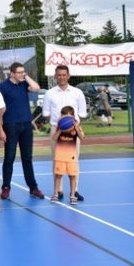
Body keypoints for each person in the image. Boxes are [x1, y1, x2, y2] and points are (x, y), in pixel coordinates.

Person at [0, 62, 44, 200]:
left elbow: (36, 88)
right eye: (19, 72)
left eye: (23, 72)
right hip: (10, 125)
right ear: (11, 73)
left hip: (26, 125)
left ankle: (33, 187)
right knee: (9, 158)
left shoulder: (24, 84)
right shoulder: (3, 87)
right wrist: (0, 129)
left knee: (27, 158)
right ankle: (6, 187)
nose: (22, 74)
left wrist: (26, 76)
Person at [42, 65, 87, 201]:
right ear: (55, 76)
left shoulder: (77, 92)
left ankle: (75, 191)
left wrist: (73, 126)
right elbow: (46, 114)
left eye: (64, 75)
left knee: (74, 160)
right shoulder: (49, 93)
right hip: (57, 130)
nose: (61, 77)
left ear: (68, 76)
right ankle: (58, 190)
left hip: (73, 132)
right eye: (59, 75)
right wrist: (60, 124)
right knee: (57, 160)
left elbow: (82, 113)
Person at [51, 106, 85, 205]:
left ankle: (73, 195)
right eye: (64, 116)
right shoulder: (60, 126)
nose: (66, 119)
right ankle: (56, 193)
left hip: (71, 156)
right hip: (60, 155)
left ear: (73, 117)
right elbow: (54, 138)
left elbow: (82, 137)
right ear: (61, 116)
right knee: (58, 175)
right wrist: (60, 129)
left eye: (68, 117)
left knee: (72, 176)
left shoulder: (76, 126)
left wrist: (77, 127)